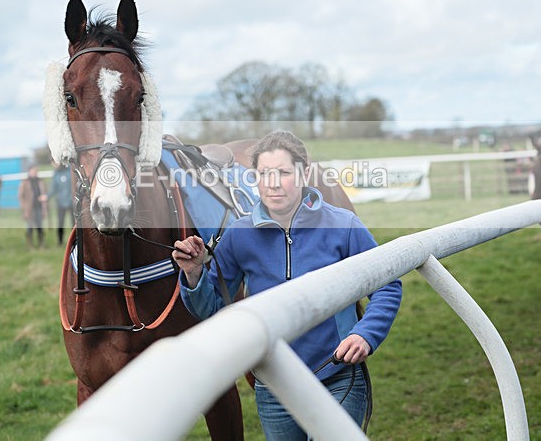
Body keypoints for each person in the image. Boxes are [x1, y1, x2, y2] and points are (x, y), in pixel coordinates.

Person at [172, 130, 402, 439]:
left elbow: (387, 285)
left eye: (283, 172)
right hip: (274, 384)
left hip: (338, 375)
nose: (273, 183)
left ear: (305, 173)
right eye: (264, 174)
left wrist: (366, 334)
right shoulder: (238, 235)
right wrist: (194, 274)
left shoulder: (343, 225)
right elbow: (211, 309)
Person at [18, 165, 47, 248]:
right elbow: (20, 196)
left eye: (36, 171)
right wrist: (24, 206)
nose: (35, 172)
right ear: (29, 171)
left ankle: (41, 244)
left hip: (39, 208)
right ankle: (30, 245)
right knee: (30, 228)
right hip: (29, 209)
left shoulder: (40, 181)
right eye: (33, 171)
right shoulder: (25, 182)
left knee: (40, 227)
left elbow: (44, 193)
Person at [48, 163, 73, 245]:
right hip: (60, 203)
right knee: (60, 223)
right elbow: (53, 188)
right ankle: (60, 241)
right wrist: (47, 197)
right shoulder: (56, 174)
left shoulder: (70, 170)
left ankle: (74, 240)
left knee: (74, 223)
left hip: (71, 202)